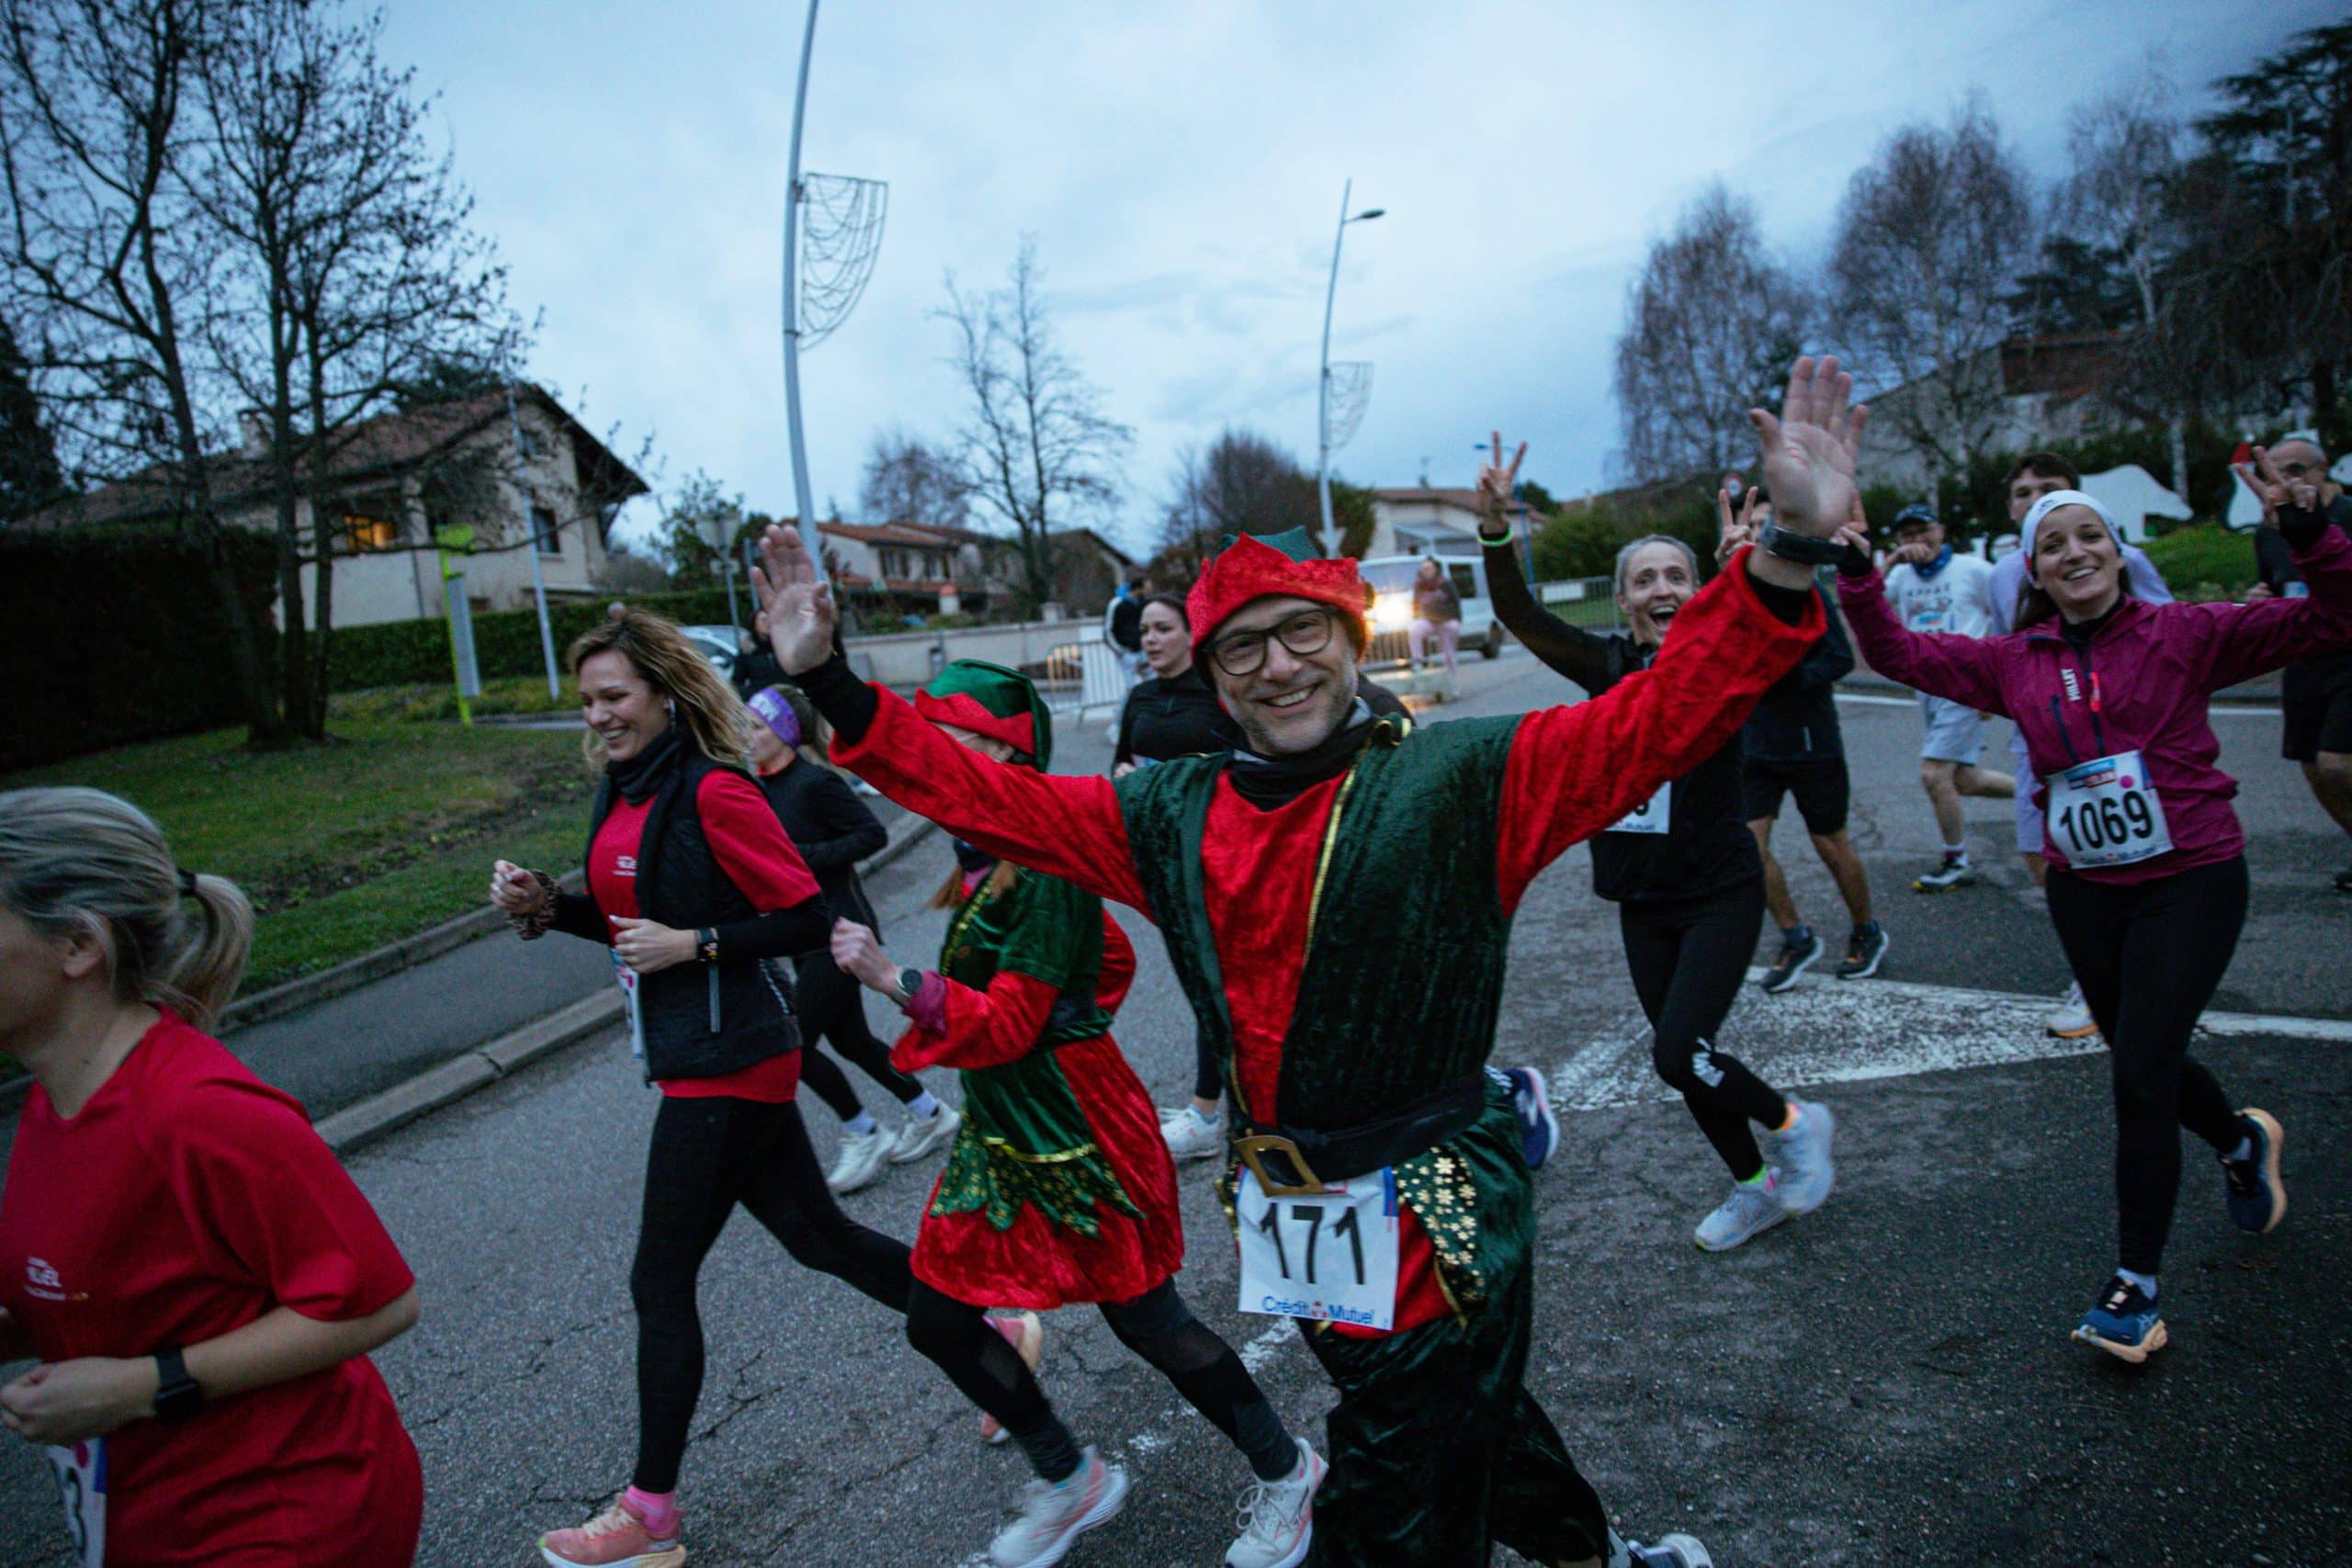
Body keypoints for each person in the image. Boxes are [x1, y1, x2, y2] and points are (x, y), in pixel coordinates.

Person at [757, 353, 1873, 1567]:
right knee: (1455, 1410)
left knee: (1391, 1479)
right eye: (1244, 651)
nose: (1278, 666)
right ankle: (1600, 1555)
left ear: (1351, 644)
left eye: (1303, 634)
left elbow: (1656, 720)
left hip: (1438, 1197)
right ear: (1218, 678)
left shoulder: (1459, 779)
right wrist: (825, 681)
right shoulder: (1168, 810)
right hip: (1285, 1203)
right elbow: (990, 793)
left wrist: (1785, 557)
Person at [1833, 456, 2351, 1362]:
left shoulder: (2184, 632)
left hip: (2191, 879)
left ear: (2116, 552)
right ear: (2032, 570)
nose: (2073, 552)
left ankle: (2134, 1288)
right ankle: (2236, 1141)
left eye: (2089, 536)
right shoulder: (2014, 662)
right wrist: (1855, 573)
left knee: (2139, 1073)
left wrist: (2308, 533)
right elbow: (1898, 653)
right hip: (2084, 890)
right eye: (2051, 543)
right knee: (2142, 1055)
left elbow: (2335, 615)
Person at [826, 659, 1325, 1568]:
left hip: (1079, 1132)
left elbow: (1012, 1021)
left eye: (951, 744)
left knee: (1150, 1323)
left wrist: (889, 976)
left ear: (1000, 756)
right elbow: (1107, 969)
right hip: (1007, 1128)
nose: (932, 764)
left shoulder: (1036, 865)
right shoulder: (978, 864)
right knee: (937, 1320)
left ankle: (1288, 1471)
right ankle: (1067, 1477)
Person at [489, 608, 939, 1568]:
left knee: (658, 1279)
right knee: (822, 1241)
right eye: (587, 703)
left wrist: (697, 945)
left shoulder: (711, 789)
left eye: (614, 697)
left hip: (732, 1058)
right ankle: (987, 1322)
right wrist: (552, 908)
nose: (599, 716)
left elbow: (808, 918)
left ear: (663, 692)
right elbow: (636, 923)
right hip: (698, 1051)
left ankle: (650, 1513)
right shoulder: (625, 789)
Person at [0, 787, 424, 1567]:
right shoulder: (52, 1100)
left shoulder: (197, 1111)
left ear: (78, 945)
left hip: (280, 1520)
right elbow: (113, 1294)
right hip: (151, 1517)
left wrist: (135, 1387)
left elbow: (379, 1300)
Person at [1482, 479, 1837, 1253]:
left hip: (1721, 888)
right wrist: (1495, 535)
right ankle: (1755, 1188)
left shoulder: (1722, 663)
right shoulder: (1605, 666)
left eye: (1676, 576)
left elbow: (1780, 631)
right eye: (1644, 579)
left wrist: (1753, 569)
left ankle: (1794, 1122)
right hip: (1642, 899)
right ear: (1622, 599)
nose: (1662, 589)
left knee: (1678, 1051)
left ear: (1699, 588)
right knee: (1687, 1063)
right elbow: (1519, 616)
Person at [1114, 593, 1532, 1169]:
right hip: (1210, 854)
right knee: (1235, 998)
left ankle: (1489, 1091)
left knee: (1383, 1010)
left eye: (1304, 630)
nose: (1277, 666)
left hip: (1331, 863)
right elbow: (1121, 766)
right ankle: (1215, 1113)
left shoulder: (1365, 715)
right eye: (1145, 630)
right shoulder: (1144, 701)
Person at [745, 682, 960, 1193]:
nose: (745, 736)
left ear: (783, 732)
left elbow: (872, 835)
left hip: (840, 931)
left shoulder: (815, 784)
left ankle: (863, 1131)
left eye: (755, 726)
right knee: (851, 1039)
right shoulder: (757, 788)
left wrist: (804, 856)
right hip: (800, 935)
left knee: (791, 1045)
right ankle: (929, 1111)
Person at [1988, 454, 2174, 1039]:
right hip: (2039, 741)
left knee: (2133, 858)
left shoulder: (2122, 559)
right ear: (2013, 510)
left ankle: (2139, 970)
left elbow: (2166, 627)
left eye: (2049, 489)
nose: (2033, 498)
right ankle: (2092, 970)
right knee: (2041, 855)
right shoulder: (2002, 575)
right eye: (2023, 492)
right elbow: (2003, 650)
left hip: (2121, 741)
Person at [1717, 490, 1887, 988]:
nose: (1761, 537)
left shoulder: (1808, 591)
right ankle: (1795, 937)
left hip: (1811, 742)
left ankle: (1866, 930)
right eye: (1755, 528)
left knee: (1830, 844)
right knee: (1749, 848)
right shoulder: (1731, 595)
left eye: (1770, 527)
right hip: (1756, 746)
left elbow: (1837, 659)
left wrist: (1786, 676)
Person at [1878, 502, 2014, 890]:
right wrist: (1889, 563)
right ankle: (2039, 794)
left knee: (1934, 774)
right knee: (1964, 780)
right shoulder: (1902, 576)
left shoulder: (1973, 569)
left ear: (1940, 531)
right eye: (1908, 535)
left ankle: (1956, 861)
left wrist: (1991, 684)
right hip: (1927, 687)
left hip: (1964, 682)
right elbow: (1868, 597)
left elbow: (2005, 619)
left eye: (1924, 531)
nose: (1918, 541)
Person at [2243, 434, 2352, 894]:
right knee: (2311, 765)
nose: (2287, 481)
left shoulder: (2347, 516)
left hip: (2350, 653)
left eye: (2297, 471)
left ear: (2323, 470)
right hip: (2305, 658)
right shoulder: (2270, 530)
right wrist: (2258, 600)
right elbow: (2273, 585)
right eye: (2280, 471)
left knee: (2336, 763)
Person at [1409, 556, 1464, 687]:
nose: (1426, 571)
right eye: (1424, 569)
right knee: (1414, 629)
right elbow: (1415, 603)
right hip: (1429, 620)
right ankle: (1418, 660)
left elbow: (1456, 603)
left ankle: (1453, 682)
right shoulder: (1419, 585)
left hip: (1445, 621)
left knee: (1449, 653)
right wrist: (1416, 615)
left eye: (1429, 568)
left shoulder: (1445, 583)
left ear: (1435, 569)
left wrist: (1456, 619)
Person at [731, 611, 789, 699]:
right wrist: (754, 695)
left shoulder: (782, 647)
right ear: (754, 625)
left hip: (787, 701)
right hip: (764, 704)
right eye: (764, 620)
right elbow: (736, 683)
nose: (768, 623)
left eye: (770, 619)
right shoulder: (748, 652)